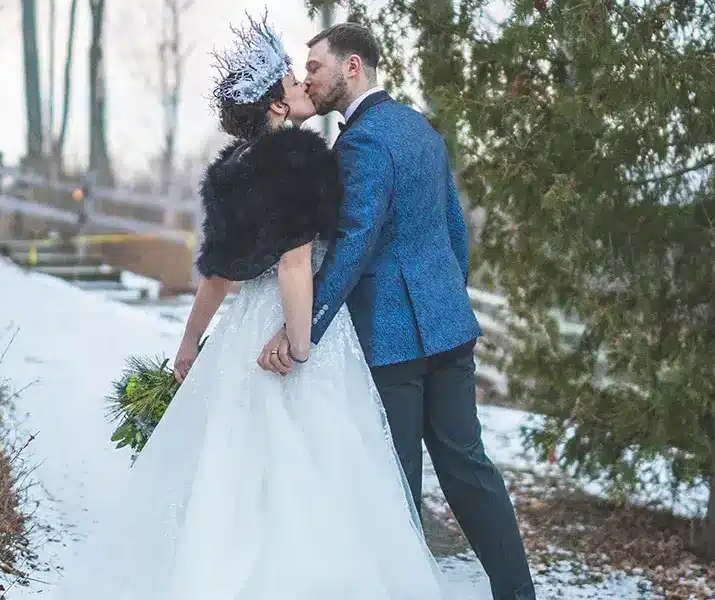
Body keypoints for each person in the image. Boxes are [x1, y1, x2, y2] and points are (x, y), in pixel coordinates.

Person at [49, 16, 445, 600]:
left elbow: (215, 272)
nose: (303, 86)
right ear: (276, 108)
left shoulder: (231, 167)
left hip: (239, 330)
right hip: (289, 322)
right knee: (313, 462)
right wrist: (302, 340)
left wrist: (188, 343)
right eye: (291, 82)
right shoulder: (298, 158)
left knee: (236, 463)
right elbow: (293, 262)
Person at [258, 21, 538, 600]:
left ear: (352, 67)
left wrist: (303, 326)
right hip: (447, 329)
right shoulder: (420, 130)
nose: (307, 76)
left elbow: (355, 243)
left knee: (396, 482)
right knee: (469, 470)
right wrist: (446, 304)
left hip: (392, 342)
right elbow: (453, 231)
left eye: (315, 67)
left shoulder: (361, 141)